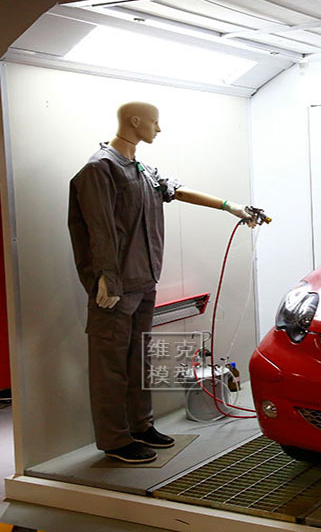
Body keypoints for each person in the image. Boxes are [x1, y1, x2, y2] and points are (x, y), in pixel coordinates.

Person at [68, 101, 256, 463]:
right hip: (115, 286)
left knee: (140, 360)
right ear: (135, 121)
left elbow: (177, 191)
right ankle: (115, 440)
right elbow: (99, 229)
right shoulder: (99, 169)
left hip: (144, 280)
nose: (159, 129)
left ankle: (141, 425)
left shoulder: (141, 169)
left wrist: (230, 206)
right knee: (110, 365)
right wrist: (106, 278)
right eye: (155, 122)